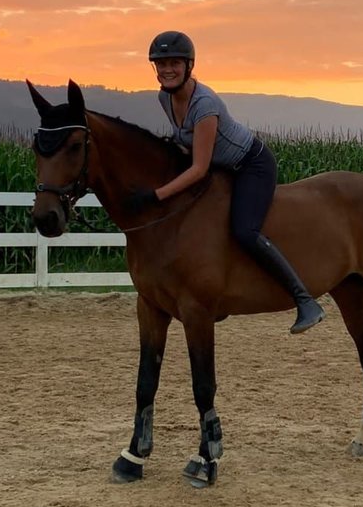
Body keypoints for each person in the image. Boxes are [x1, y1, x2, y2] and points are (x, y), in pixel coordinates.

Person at [129, 30, 324, 335]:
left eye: (174, 63)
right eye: (161, 63)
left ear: (189, 65)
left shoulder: (204, 104)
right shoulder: (164, 98)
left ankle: (304, 300)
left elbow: (198, 169)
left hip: (250, 166)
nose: (167, 69)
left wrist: (156, 195)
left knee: (244, 230)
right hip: (219, 167)